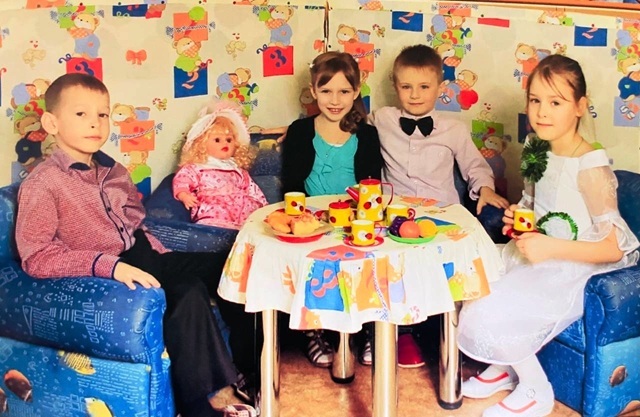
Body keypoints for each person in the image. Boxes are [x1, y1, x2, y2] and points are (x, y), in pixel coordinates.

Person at [14, 73, 257, 417]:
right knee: (187, 291)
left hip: (143, 254)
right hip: (107, 271)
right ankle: (200, 406)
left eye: (102, 114)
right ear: (51, 123)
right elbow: (37, 257)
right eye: (81, 114)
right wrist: (108, 266)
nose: (95, 123)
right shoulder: (43, 184)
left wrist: (153, 245)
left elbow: (134, 218)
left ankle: (249, 369)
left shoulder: (112, 170)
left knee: (235, 265)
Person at [457, 55, 639, 417]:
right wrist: (518, 216)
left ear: (580, 107)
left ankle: (536, 389)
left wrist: (550, 247)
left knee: (494, 302)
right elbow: (534, 202)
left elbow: (613, 247)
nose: (542, 111)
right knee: (469, 277)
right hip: (540, 248)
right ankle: (503, 368)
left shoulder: (589, 164)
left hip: (581, 263)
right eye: (535, 100)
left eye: (556, 102)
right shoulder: (535, 147)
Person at [369, 44, 510, 368]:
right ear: (395, 86)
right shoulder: (383, 119)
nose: (415, 95)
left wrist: (485, 190)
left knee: (454, 259)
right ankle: (403, 332)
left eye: (424, 86)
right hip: (397, 217)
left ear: (441, 88)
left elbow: (475, 166)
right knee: (396, 262)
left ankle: (450, 329)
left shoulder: (454, 130)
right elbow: (342, 123)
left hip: (443, 216)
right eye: (406, 86)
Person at [281, 51, 384, 368]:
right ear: (313, 91)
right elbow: (292, 186)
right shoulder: (300, 131)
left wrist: (360, 219)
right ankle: (313, 331)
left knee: (372, 259)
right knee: (307, 259)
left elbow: (371, 187)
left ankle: (368, 329)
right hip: (313, 223)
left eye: (344, 91)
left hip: (355, 222)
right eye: (326, 91)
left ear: (356, 92)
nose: (335, 100)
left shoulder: (367, 134)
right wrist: (303, 220)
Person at [173, 98, 268, 230]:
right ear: (202, 144)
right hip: (214, 210)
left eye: (229, 140)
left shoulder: (237, 169)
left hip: (242, 210)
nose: (225, 143)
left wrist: (264, 209)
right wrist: (183, 194)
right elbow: (182, 180)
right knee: (215, 220)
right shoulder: (198, 167)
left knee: (254, 222)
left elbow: (253, 190)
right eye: (217, 140)